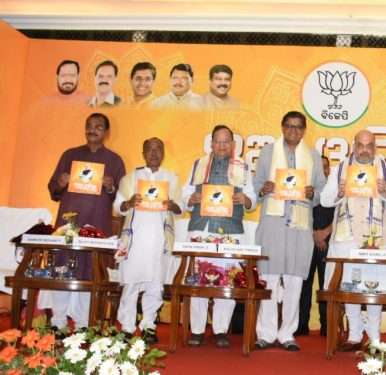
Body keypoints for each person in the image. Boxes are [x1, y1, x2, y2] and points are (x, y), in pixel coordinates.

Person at [320, 130, 386, 350]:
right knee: (350, 287)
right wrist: (339, 193)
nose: (364, 150)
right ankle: (354, 336)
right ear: (353, 146)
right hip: (346, 238)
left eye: (369, 146)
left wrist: (385, 191)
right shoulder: (340, 168)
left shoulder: (385, 169)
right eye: (360, 145)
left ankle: (374, 336)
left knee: (373, 288)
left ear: (375, 147)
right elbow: (325, 200)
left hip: (375, 239)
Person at [44, 112, 126, 330]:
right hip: (68, 223)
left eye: (98, 127)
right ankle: (58, 322)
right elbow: (54, 189)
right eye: (89, 126)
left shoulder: (115, 161)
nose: (93, 130)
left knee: (89, 271)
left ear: (107, 133)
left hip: (96, 223)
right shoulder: (70, 155)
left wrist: (111, 187)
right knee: (62, 268)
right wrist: (61, 183)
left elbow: (122, 199)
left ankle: (82, 325)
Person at [253, 111, 326, 351]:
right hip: (273, 223)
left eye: (298, 127)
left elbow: (322, 193)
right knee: (269, 278)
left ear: (304, 130)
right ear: (282, 127)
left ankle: (287, 334)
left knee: (295, 281)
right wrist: (263, 188)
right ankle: (265, 332)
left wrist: (312, 192)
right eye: (289, 126)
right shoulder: (267, 152)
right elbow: (255, 186)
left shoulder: (313, 156)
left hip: (300, 224)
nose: (293, 130)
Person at [182, 125, 256, 348]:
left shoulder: (242, 167)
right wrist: (191, 197)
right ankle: (196, 330)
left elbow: (252, 198)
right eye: (218, 141)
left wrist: (245, 200)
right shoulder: (198, 164)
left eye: (226, 141)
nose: (222, 145)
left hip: (230, 229)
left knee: (227, 280)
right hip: (202, 228)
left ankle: (221, 330)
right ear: (211, 144)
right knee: (198, 282)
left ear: (233, 145)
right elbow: (185, 192)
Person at [114, 137, 182, 343]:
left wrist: (172, 206)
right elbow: (118, 207)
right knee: (131, 283)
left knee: (155, 284)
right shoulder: (130, 178)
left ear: (163, 153)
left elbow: (181, 209)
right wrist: (128, 202)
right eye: (149, 149)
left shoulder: (172, 178)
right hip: (135, 239)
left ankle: (149, 325)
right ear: (143, 153)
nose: (154, 153)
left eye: (158, 149)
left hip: (160, 240)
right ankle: (126, 326)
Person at [296, 155, 335, 337]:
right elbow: (297, 212)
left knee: (327, 285)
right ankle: (300, 326)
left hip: (330, 241)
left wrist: (325, 232)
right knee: (303, 285)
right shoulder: (305, 190)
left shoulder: (337, 190)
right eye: (320, 168)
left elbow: (344, 215)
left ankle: (327, 328)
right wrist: (313, 233)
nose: (324, 170)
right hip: (306, 240)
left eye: (326, 167)